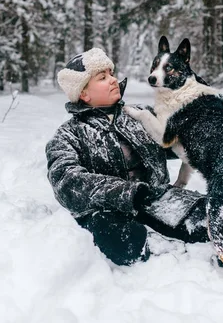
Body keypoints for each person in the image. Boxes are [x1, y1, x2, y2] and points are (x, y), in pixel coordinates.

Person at [46, 47, 210, 266]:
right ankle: (157, 257)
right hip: (110, 211)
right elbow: (66, 182)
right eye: (102, 78)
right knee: (124, 241)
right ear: (83, 93)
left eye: (111, 74)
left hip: (159, 198)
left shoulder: (139, 114)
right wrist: (127, 192)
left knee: (215, 216)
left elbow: (172, 142)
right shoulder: (68, 135)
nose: (113, 80)